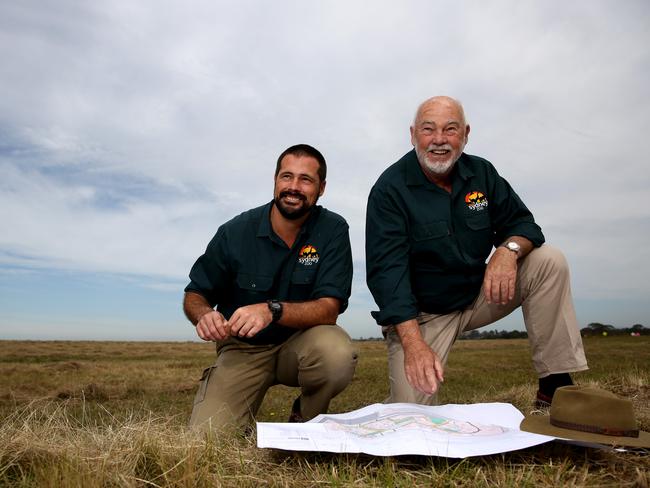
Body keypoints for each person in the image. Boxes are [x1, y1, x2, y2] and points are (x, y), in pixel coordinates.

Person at [365, 96, 588, 407]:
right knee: (411, 417)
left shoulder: (482, 173)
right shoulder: (389, 190)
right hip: (423, 316)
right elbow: (387, 276)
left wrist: (507, 251)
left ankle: (556, 386)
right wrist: (414, 344)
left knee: (548, 261)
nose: (439, 140)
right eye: (429, 129)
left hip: (479, 294)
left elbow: (524, 225)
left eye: (450, 129)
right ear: (413, 134)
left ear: (465, 134)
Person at [184, 144, 358, 431]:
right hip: (243, 349)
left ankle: (306, 420)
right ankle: (239, 419)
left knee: (336, 355)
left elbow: (330, 308)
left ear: (322, 187)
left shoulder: (333, 229)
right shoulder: (235, 231)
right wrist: (203, 315)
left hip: (301, 344)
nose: (294, 187)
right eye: (286, 177)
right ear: (275, 180)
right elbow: (195, 293)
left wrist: (272, 310)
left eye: (306, 179)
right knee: (206, 442)